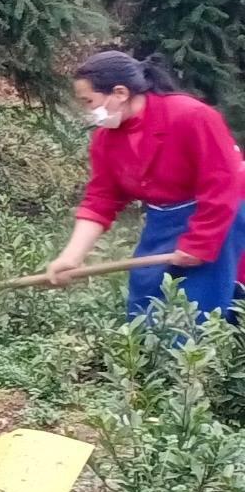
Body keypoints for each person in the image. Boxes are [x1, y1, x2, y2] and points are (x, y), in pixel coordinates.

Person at [46, 49, 243, 323]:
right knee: (146, 297)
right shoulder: (106, 140)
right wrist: (71, 256)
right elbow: (100, 200)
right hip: (163, 221)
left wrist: (200, 242)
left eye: (89, 101)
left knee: (198, 305)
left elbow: (225, 182)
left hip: (219, 217)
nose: (88, 111)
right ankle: (147, 362)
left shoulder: (191, 116)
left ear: (120, 92)